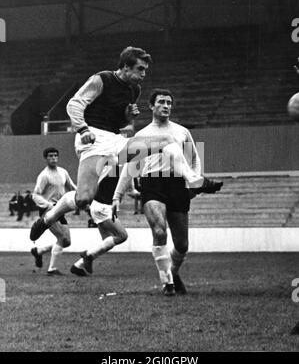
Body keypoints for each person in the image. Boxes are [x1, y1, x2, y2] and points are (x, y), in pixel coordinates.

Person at [30, 47, 211, 242]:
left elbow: (119, 121)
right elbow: (74, 104)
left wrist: (127, 117)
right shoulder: (102, 79)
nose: (144, 74)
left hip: (115, 140)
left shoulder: (135, 89)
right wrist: (82, 129)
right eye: (140, 69)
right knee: (83, 199)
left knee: (168, 140)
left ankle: (192, 179)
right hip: (94, 138)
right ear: (126, 67)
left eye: (145, 70)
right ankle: (48, 217)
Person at [112, 89, 223, 296]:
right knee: (160, 231)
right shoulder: (142, 135)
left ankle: (173, 271)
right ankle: (167, 283)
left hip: (178, 184)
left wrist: (194, 184)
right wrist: (117, 196)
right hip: (152, 183)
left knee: (182, 244)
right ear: (151, 106)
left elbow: (195, 159)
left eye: (169, 103)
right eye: (161, 102)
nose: (166, 106)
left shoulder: (181, 131)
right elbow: (130, 168)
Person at [70, 166, 129, 276]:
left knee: (107, 242)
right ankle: (88, 255)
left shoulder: (117, 167)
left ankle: (77, 266)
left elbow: (130, 188)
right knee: (122, 236)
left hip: (98, 206)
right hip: (103, 207)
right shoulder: (116, 168)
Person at [30, 147, 76, 275]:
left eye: (55, 155)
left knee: (67, 241)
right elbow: (35, 195)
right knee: (62, 238)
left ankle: (39, 251)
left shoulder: (63, 172)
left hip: (60, 209)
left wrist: (83, 195)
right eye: (50, 156)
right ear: (46, 158)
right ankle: (52, 269)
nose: (53, 158)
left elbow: (71, 187)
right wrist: (47, 205)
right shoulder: (44, 175)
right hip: (48, 211)